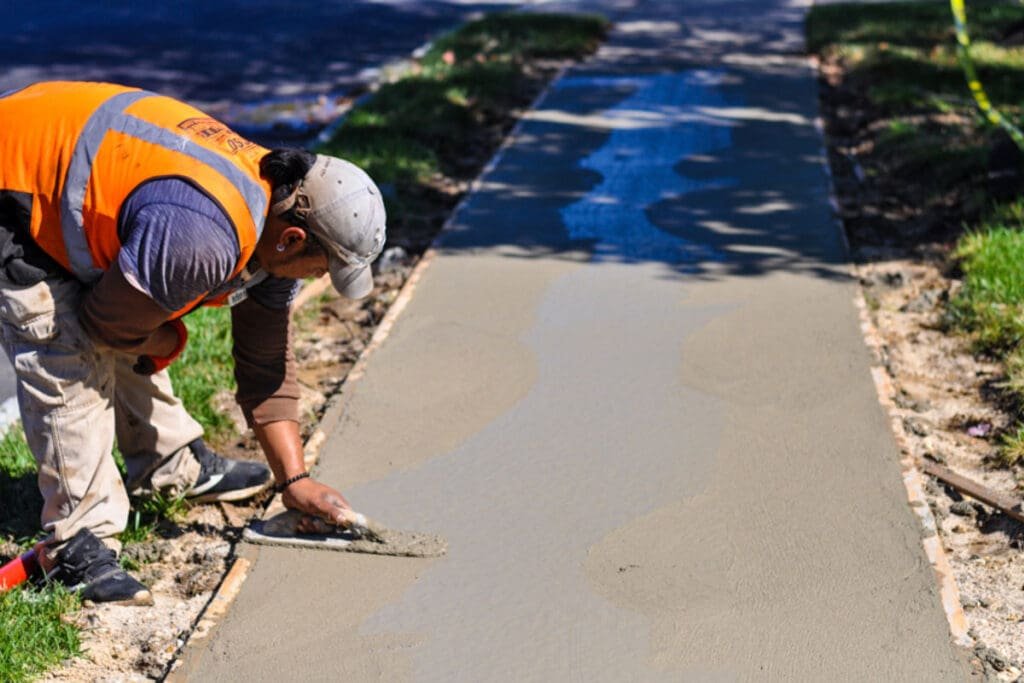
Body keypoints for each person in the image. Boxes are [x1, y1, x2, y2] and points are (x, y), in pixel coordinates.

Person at [0, 81, 385, 605]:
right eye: (323, 268)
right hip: (14, 188)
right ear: (293, 239)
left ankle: (167, 463)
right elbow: (103, 328)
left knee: (144, 304)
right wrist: (166, 333)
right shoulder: (202, 237)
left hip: (64, 164)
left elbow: (265, 360)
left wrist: (294, 480)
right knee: (64, 342)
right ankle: (78, 538)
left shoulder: (273, 213)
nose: (319, 279)